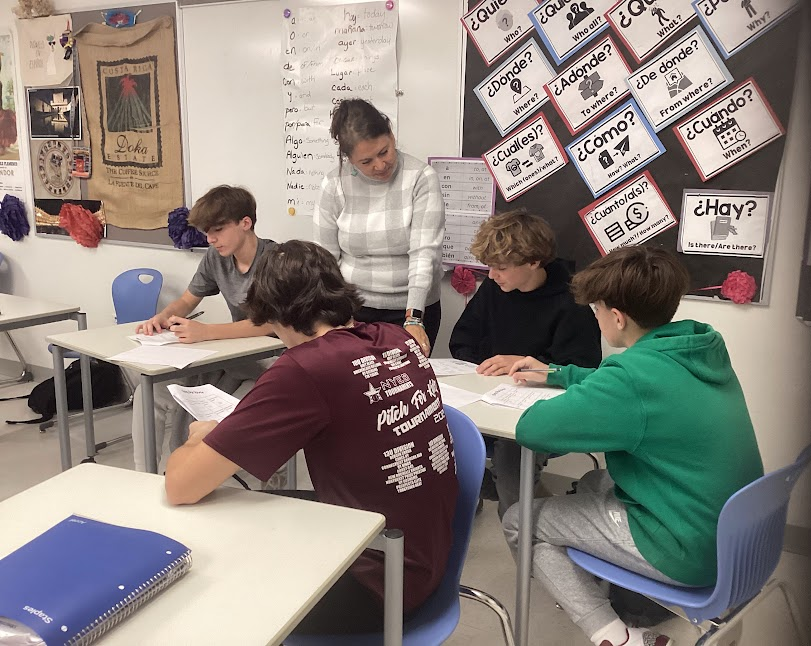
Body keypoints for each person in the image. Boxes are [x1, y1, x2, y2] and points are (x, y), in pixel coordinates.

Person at [164, 240, 458, 634]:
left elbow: (180, 487)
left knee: (205, 554)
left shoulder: (304, 368)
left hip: (376, 581)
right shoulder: (397, 337)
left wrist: (198, 438)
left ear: (273, 313)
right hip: (424, 554)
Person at [502, 246, 763, 646]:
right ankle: (599, 583)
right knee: (593, 482)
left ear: (617, 317)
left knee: (520, 520)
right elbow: (631, 388)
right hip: (741, 536)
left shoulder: (631, 379)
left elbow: (533, 430)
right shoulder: (697, 346)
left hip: (687, 548)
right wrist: (558, 373)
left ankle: (617, 638)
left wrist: (572, 390)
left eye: (597, 310)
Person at [449, 209, 601, 518]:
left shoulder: (572, 302)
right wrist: (491, 370)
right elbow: (461, 341)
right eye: (490, 267)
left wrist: (527, 365)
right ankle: (520, 501)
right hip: (486, 399)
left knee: (511, 456)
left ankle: (525, 534)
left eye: (501, 267)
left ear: (533, 262)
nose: (492, 275)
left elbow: (583, 370)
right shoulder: (494, 289)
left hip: (539, 410)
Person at [132, 185, 276, 472]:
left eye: (218, 230)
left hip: (271, 359)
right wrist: (161, 318)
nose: (211, 239)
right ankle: (143, 476)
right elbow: (187, 300)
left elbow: (272, 323)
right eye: (207, 232)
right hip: (231, 354)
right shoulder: (216, 257)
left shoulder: (277, 259)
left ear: (245, 223)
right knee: (148, 393)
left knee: (219, 417)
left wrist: (206, 331)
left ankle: (194, 475)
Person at [313, 98, 444, 356]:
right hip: (353, 309)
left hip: (409, 308)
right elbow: (325, 260)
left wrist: (415, 318)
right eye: (366, 161)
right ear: (349, 159)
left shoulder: (421, 178)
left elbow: (423, 253)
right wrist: (333, 315)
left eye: (384, 152)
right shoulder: (334, 184)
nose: (380, 165)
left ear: (392, 135)